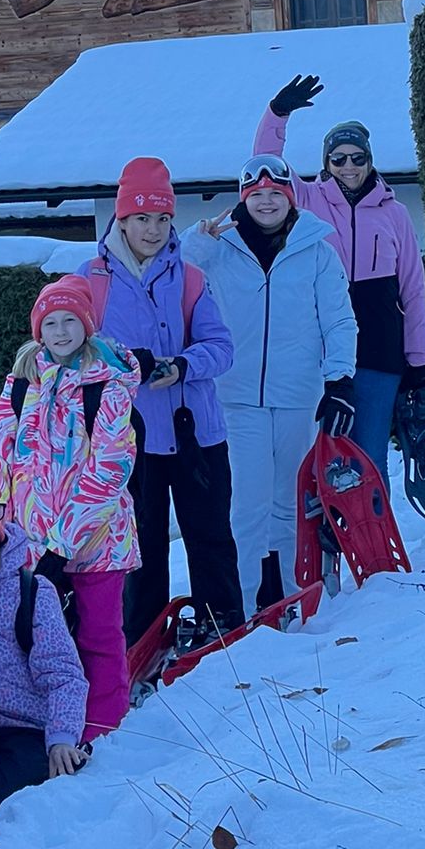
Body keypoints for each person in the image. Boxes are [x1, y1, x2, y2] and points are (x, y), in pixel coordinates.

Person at [183, 156, 359, 613]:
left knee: (291, 504)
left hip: (299, 396)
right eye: (256, 195)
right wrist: (198, 242)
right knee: (246, 507)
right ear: (243, 200)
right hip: (236, 397)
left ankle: (294, 601)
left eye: (275, 194)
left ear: (290, 198)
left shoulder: (317, 251)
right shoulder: (219, 248)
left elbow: (339, 320)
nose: (266, 202)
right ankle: (241, 607)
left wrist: (339, 380)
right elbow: (173, 277)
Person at [82, 155, 244, 645]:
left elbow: (221, 347)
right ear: (121, 219)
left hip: (197, 433)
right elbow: (72, 355)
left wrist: (183, 366)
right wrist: (125, 364)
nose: (152, 230)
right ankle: (141, 640)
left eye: (162, 218)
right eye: (141, 218)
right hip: (128, 439)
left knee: (210, 536)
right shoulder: (91, 280)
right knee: (140, 545)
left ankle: (222, 628)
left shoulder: (190, 277)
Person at [0, 276, 140, 742]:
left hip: (97, 541)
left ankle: (104, 728)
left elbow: (109, 471)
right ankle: (46, 722)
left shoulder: (106, 389)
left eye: (70, 320)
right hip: (29, 541)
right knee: (38, 639)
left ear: (87, 326)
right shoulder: (20, 386)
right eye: (50, 323)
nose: (61, 331)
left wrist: (63, 545)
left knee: (99, 635)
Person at [254, 74, 425, 478]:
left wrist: (419, 358)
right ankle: (327, 522)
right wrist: (277, 114)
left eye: (357, 158)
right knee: (323, 459)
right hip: (319, 351)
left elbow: (413, 289)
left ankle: (373, 522)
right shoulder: (306, 200)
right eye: (339, 159)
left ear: (369, 160)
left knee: (370, 457)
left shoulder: (394, 213)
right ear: (326, 163)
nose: (348, 167)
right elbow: (264, 164)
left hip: (378, 351)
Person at [0, 468, 90, 827]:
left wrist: (62, 737)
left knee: (3, 805)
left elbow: (63, 674)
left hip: (24, 724)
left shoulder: (30, 591)